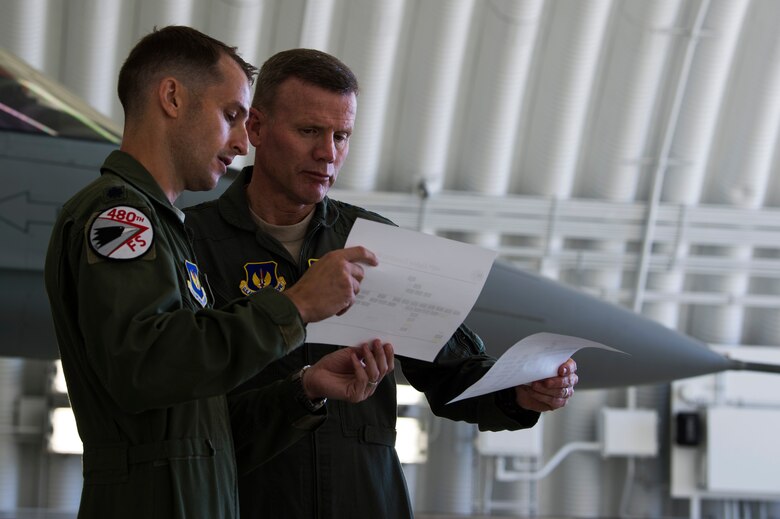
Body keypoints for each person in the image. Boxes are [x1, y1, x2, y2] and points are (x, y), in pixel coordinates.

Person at [184, 48, 579, 519]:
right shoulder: (192, 243)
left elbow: (453, 368)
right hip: (243, 501)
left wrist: (518, 390)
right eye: (309, 130)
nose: (328, 153)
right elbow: (177, 402)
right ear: (257, 129)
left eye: (341, 135)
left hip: (367, 500)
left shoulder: (374, 243)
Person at [44, 28, 394, 519]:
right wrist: (294, 306)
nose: (240, 141)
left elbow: (204, 430)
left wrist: (305, 389)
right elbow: (146, 367)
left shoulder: (166, 229)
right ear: (172, 98)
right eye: (230, 115)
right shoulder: (121, 218)